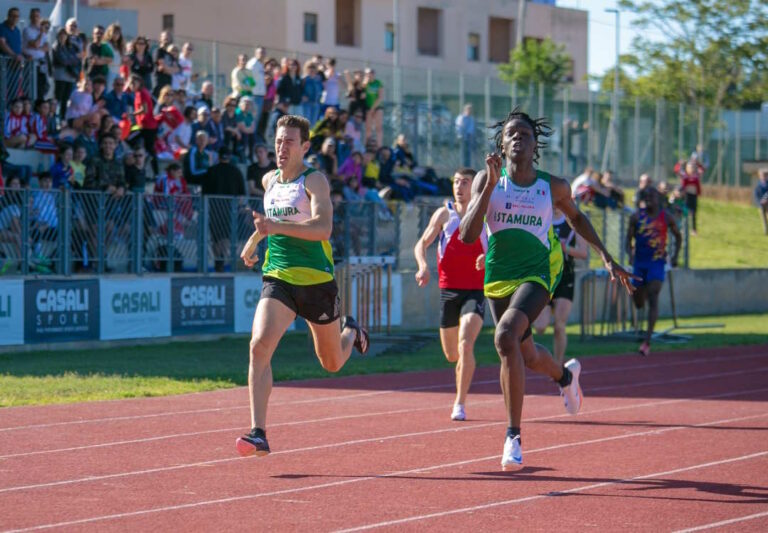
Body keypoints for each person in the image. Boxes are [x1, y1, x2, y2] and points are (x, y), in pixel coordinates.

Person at [459, 109, 637, 469]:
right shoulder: (486, 180)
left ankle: (513, 437)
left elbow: (577, 217)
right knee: (524, 353)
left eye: (525, 133)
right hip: (498, 275)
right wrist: (489, 187)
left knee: (505, 336)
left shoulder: (552, 186)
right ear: (502, 144)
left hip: (539, 272)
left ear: (535, 145)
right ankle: (565, 376)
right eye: (511, 133)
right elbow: (467, 235)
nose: (518, 138)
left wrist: (606, 256)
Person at [235, 115, 370, 457]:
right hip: (278, 277)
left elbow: (323, 228)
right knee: (258, 346)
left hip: (316, 282)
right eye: (278, 140)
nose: (281, 147)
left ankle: (351, 332)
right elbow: (269, 224)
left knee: (331, 362)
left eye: (289, 142)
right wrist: (253, 242)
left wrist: (274, 227)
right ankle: (258, 433)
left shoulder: (314, 181)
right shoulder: (269, 180)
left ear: (305, 146)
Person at [414, 168, 487, 422]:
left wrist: (487, 257)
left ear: (474, 187)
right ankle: (463, 370)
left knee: (466, 343)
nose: (459, 187)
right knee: (452, 355)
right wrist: (423, 266)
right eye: (456, 182)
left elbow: (501, 246)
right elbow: (422, 243)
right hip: (449, 291)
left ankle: (460, 403)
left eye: (465, 182)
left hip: (476, 290)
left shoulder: (484, 215)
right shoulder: (444, 214)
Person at [625, 186, 681, 357]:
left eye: (652, 196)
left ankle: (647, 341)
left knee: (653, 296)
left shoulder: (666, 217)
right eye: (646, 196)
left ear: (659, 199)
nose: (649, 199)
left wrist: (675, 256)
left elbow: (678, 236)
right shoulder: (636, 217)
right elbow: (628, 239)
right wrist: (630, 255)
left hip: (656, 263)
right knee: (638, 302)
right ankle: (640, 301)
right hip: (639, 264)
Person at [532, 208, 588, 365]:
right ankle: (548, 307)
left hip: (565, 277)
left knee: (559, 325)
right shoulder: (543, 219)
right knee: (540, 327)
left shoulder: (572, 222)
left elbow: (583, 253)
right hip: (545, 276)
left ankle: (557, 364)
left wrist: (565, 248)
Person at [674, 159, 702, 235]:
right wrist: (679, 163)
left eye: (693, 167)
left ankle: (694, 230)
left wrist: (697, 163)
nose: (692, 169)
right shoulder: (684, 175)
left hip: (693, 196)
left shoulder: (696, 176)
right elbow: (676, 170)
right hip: (686, 196)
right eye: (690, 167)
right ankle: (682, 228)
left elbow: (702, 169)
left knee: (693, 213)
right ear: (686, 168)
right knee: (684, 212)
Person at [755, 168, 768, 235]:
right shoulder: (758, 185)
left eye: (764, 175)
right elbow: (756, 195)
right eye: (761, 175)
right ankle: (766, 231)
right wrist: (759, 202)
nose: (763, 177)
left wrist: (765, 199)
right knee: (764, 219)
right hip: (761, 205)